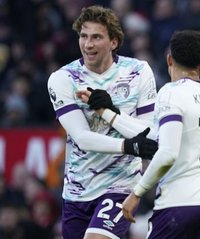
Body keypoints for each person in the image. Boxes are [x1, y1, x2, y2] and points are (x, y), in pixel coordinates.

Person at [47, 5, 158, 239]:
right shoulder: (63, 79)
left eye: (96, 37)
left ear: (114, 42)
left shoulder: (138, 72)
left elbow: (150, 133)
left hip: (121, 185)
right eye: (83, 36)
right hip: (77, 190)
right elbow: (82, 137)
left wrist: (112, 111)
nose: (88, 45)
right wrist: (128, 145)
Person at [121, 30, 200, 239]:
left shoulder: (171, 92)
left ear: (169, 59)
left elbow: (168, 152)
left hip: (180, 202)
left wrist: (136, 194)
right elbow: (154, 134)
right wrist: (109, 114)